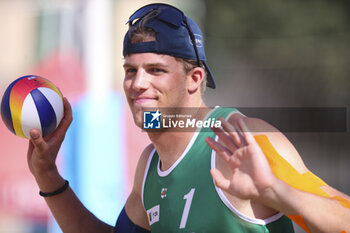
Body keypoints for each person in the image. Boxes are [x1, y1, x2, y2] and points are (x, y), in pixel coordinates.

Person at [27, 3, 350, 233]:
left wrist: (274, 192)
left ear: (194, 79)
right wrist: (48, 177)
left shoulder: (242, 137)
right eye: (130, 70)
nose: (138, 84)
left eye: (156, 70)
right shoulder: (151, 164)